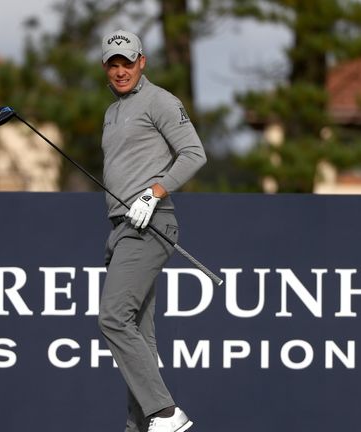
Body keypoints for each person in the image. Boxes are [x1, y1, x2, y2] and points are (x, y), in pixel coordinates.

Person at [98, 29, 207, 432]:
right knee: (139, 336)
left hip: (151, 221)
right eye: (114, 64)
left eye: (128, 62)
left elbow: (195, 153)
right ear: (106, 68)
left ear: (142, 61)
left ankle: (165, 414)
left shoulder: (160, 100)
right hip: (122, 225)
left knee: (112, 318)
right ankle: (141, 426)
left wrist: (154, 193)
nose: (121, 70)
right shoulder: (112, 112)